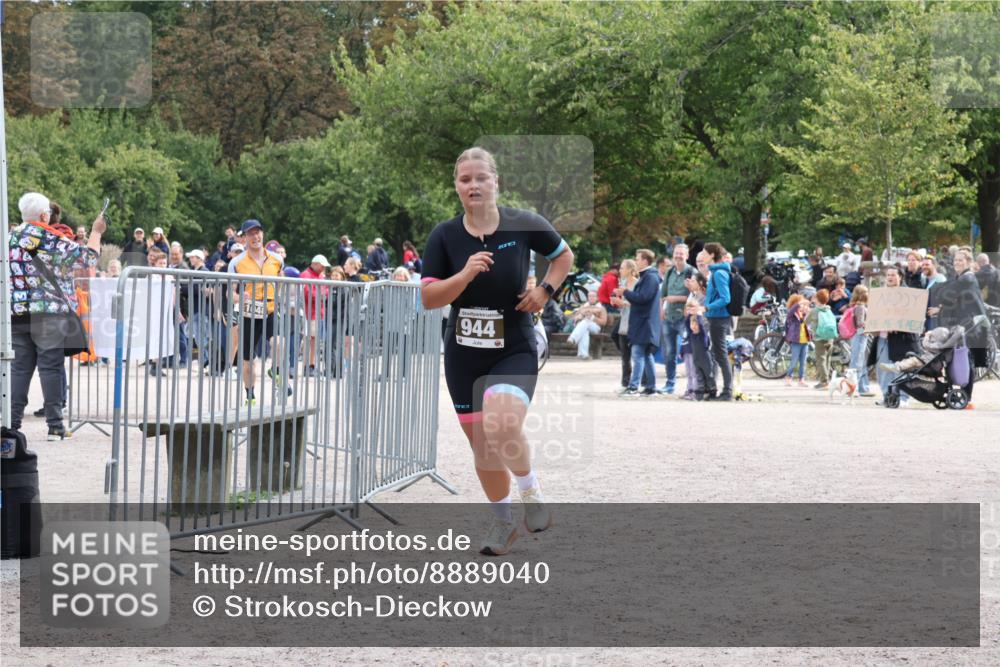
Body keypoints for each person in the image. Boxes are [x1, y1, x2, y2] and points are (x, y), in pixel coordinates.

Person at [420, 146, 572, 556]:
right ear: (456, 186)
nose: (473, 185)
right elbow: (430, 298)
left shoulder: (524, 224)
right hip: (464, 353)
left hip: (514, 345)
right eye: (465, 180)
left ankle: (531, 492)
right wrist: (465, 274)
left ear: (495, 182)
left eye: (480, 178)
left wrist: (544, 290)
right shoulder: (445, 235)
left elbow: (563, 257)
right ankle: (503, 524)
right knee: (484, 448)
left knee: (502, 424)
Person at [9, 192, 106, 440]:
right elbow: (89, 258)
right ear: (44, 215)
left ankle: (11, 424)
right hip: (49, 314)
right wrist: (96, 232)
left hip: (17, 313)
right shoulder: (50, 237)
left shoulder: (7, 238)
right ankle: (54, 425)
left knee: (19, 369)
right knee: (50, 367)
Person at [228, 219, 288, 406]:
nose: (255, 237)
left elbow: (281, 280)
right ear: (244, 237)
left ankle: (276, 371)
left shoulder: (277, 260)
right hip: (249, 313)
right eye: (251, 234)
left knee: (279, 342)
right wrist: (241, 298)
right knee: (247, 362)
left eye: (258, 232)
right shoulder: (237, 263)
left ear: (263, 234)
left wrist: (278, 296)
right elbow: (231, 293)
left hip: (270, 309)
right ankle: (250, 396)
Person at [930, 249, 990, 395]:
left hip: (969, 324)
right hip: (960, 323)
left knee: (965, 358)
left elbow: (946, 292)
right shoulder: (959, 278)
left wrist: (937, 302)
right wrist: (941, 308)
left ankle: (965, 394)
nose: (957, 262)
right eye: (955, 260)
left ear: (968, 262)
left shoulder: (967, 278)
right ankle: (957, 392)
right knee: (955, 356)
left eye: (961, 260)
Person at [867, 266, 919, 405]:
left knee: (900, 368)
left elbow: (914, 316)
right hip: (882, 337)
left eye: (893, 275)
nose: (890, 277)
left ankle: (903, 398)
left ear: (900, 277)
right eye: (888, 275)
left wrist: (898, 325)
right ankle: (887, 397)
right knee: (883, 368)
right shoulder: (880, 295)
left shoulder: (908, 294)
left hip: (901, 339)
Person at [615, 248, 661, 396]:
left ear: (645, 261)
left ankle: (634, 387)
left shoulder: (650, 277)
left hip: (644, 322)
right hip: (643, 322)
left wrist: (625, 293)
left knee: (638, 354)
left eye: (638, 258)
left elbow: (643, 297)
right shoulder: (647, 276)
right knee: (646, 355)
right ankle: (651, 387)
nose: (636, 261)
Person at [659, 243, 694, 393]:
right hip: (668, 317)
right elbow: (663, 294)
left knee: (689, 351)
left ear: (687, 256)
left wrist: (676, 298)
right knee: (669, 353)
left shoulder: (692, 272)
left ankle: (693, 385)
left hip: (684, 318)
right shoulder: (669, 272)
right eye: (676, 253)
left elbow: (696, 293)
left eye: (681, 254)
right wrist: (661, 310)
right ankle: (670, 384)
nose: (678, 256)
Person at [703, 242, 734, 401]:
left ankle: (728, 391)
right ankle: (721, 389)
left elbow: (725, 298)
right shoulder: (715, 272)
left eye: (704, 252)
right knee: (717, 353)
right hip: (715, 318)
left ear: (712, 255)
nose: (702, 255)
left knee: (721, 354)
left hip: (719, 318)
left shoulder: (719, 273)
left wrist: (707, 308)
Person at [683, 272, 712, 400]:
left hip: (701, 333)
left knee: (702, 364)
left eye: (693, 281)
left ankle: (703, 389)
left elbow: (704, 317)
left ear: (700, 283)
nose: (690, 282)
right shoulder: (693, 296)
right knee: (691, 362)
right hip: (692, 333)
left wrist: (698, 325)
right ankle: (693, 389)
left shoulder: (704, 298)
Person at [842, 285, 875, 397]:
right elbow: (860, 323)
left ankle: (863, 387)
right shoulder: (860, 307)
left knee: (862, 362)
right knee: (857, 363)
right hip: (860, 335)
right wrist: (871, 325)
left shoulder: (857, 306)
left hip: (860, 336)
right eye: (865, 292)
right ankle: (852, 389)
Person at [301, 254, 331, 374]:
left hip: (319, 313)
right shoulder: (306, 275)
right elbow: (308, 294)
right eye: (322, 266)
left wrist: (321, 293)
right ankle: (308, 366)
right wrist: (321, 294)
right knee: (310, 340)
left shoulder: (320, 276)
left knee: (315, 340)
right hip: (310, 314)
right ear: (315, 264)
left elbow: (326, 291)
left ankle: (311, 365)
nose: (324, 268)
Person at [610, 259, 637, 389]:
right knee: (614, 336)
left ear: (630, 270)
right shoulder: (623, 283)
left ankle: (627, 382)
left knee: (627, 354)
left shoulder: (636, 284)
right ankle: (625, 381)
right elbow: (624, 305)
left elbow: (638, 302)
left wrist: (623, 303)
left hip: (633, 320)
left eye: (622, 268)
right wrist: (616, 301)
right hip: (624, 317)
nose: (619, 270)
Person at [806, 289, 836, 389]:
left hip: (819, 338)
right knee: (827, 359)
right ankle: (827, 380)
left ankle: (824, 382)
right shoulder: (829, 309)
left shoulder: (814, 311)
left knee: (821, 359)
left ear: (817, 299)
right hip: (830, 337)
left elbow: (805, 322)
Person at [566, 290, 607, 360]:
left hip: (595, 327)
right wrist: (579, 317)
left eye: (593, 296)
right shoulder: (583, 307)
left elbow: (604, 322)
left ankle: (573, 338)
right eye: (589, 296)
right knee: (585, 330)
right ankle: (583, 355)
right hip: (583, 327)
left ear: (597, 298)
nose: (591, 298)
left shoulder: (601, 308)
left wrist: (593, 318)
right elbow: (575, 317)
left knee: (586, 321)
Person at [783, 294, 811, 387]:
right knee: (794, 360)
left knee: (803, 361)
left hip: (805, 341)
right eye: (800, 305)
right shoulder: (792, 315)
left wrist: (807, 308)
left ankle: (801, 379)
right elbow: (792, 310)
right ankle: (788, 377)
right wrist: (800, 302)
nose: (802, 306)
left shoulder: (805, 314)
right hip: (796, 341)